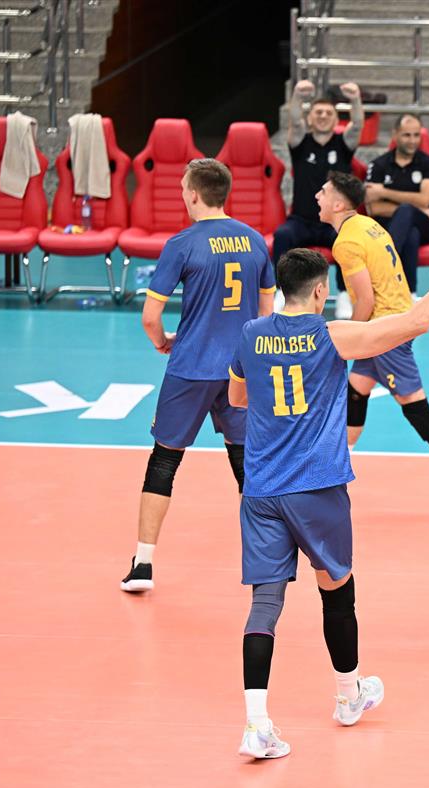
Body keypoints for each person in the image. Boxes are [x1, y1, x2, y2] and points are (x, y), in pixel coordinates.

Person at [229, 202, 429, 759]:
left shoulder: (249, 335)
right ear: (321, 292)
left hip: (262, 489)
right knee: (336, 590)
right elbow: (416, 321)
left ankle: (256, 724)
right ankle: (348, 696)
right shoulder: (333, 336)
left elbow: (237, 399)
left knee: (265, 604)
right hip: (316, 488)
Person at [122, 158, 276, 593]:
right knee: (246, 464)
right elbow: (266, 314)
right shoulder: (255, 241)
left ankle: (143, 565)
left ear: (193, 193)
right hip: (241, 370)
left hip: (191, 367)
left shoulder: (182, 244)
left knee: (164, 460)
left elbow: (150, 317)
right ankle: (265, 563)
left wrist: (163, 341)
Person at [317, 171, 429, 508]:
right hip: (393, 319)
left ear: (338, 204)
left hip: (386, 329)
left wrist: (346, 342)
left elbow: (365, 301)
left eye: (324, 192)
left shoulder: (347, 242)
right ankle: (336, 471)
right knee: (356, 391)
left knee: (415, 408)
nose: (317, 197)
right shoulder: (368, 225)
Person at [274, 79, 363, 319]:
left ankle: (344, 294)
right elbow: (294, 121)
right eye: (318, 112)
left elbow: (357, 126)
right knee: (282, 235)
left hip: (333, 222)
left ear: (336, 120)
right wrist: (297, 96)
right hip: (301, 220)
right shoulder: (300, 143)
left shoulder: (343, 145)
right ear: (310, 118)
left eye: (328, 113)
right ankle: (282, 292)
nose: (323, 116)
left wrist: (355, 99)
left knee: (347, 240)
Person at [363, 114, 429, 296]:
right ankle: (409, 296)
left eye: (416, 135)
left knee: (408, 214)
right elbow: (374, 209)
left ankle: (384, 266)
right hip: (386, 226)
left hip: (424, 226)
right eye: (407, 135)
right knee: (410, 234)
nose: (412, 141)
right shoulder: (378, 165)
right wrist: (415, 209)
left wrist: (383, 192)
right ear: (395, 134)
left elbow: (425, 200)